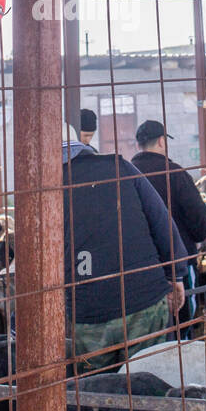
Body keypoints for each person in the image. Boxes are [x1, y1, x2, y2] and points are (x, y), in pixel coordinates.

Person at [63, 122, 187, 373]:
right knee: (148, 382)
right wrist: (177, 275)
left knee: (96, 394)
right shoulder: (119, 167)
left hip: (87, 313)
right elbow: (161, 221)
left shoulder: (43, 187)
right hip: (143, 301)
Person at [131, 119, 206, 334]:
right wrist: (197, 239)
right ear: (162, 142)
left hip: (139, 266)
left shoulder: (125, 175)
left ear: (138, 145)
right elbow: (199, 219)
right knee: (181, 321)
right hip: (178, 264)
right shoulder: (174, 173)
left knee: (147, 331)